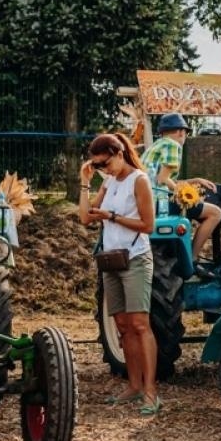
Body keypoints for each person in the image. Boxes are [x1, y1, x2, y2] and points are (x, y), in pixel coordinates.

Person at [79, 132, 160, 416]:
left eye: (104, 163)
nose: (103, 169)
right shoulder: (110, 181)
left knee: (140, 324)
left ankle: (151, 391)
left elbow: (148, 225)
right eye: (97, 166)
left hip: (135, 257)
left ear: (119, 152)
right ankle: (133, 385)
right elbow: (85, 217)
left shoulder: (139, 180)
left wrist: (111, 217)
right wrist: (86, 183)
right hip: (112, 261)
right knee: (122, 326)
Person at [142, 113, 221, 265]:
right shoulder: (173, 145)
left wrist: (195, 181)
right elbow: (163, 180)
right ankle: (192, 258)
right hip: (160, 203)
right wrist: (186, 194)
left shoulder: (156, 145)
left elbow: (162, 180)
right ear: (181, 131)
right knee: (215, 212)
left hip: (147, 201)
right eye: (185, 133)